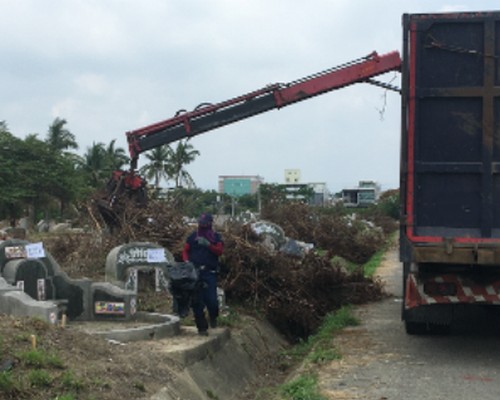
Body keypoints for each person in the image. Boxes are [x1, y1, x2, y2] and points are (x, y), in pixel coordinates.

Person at [182, 212, 224, 336]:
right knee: (197, 302)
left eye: (205, 223)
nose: (203, 225)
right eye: (201, 223)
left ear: (210, 224)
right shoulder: (192, 237)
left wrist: (209, 245)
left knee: (212, 301)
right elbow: (185, 250)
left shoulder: (216, 237)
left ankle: (213, 317)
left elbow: (220, 251)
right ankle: (202, 328)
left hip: (209, 272)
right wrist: (187, 262)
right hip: (195, 273)